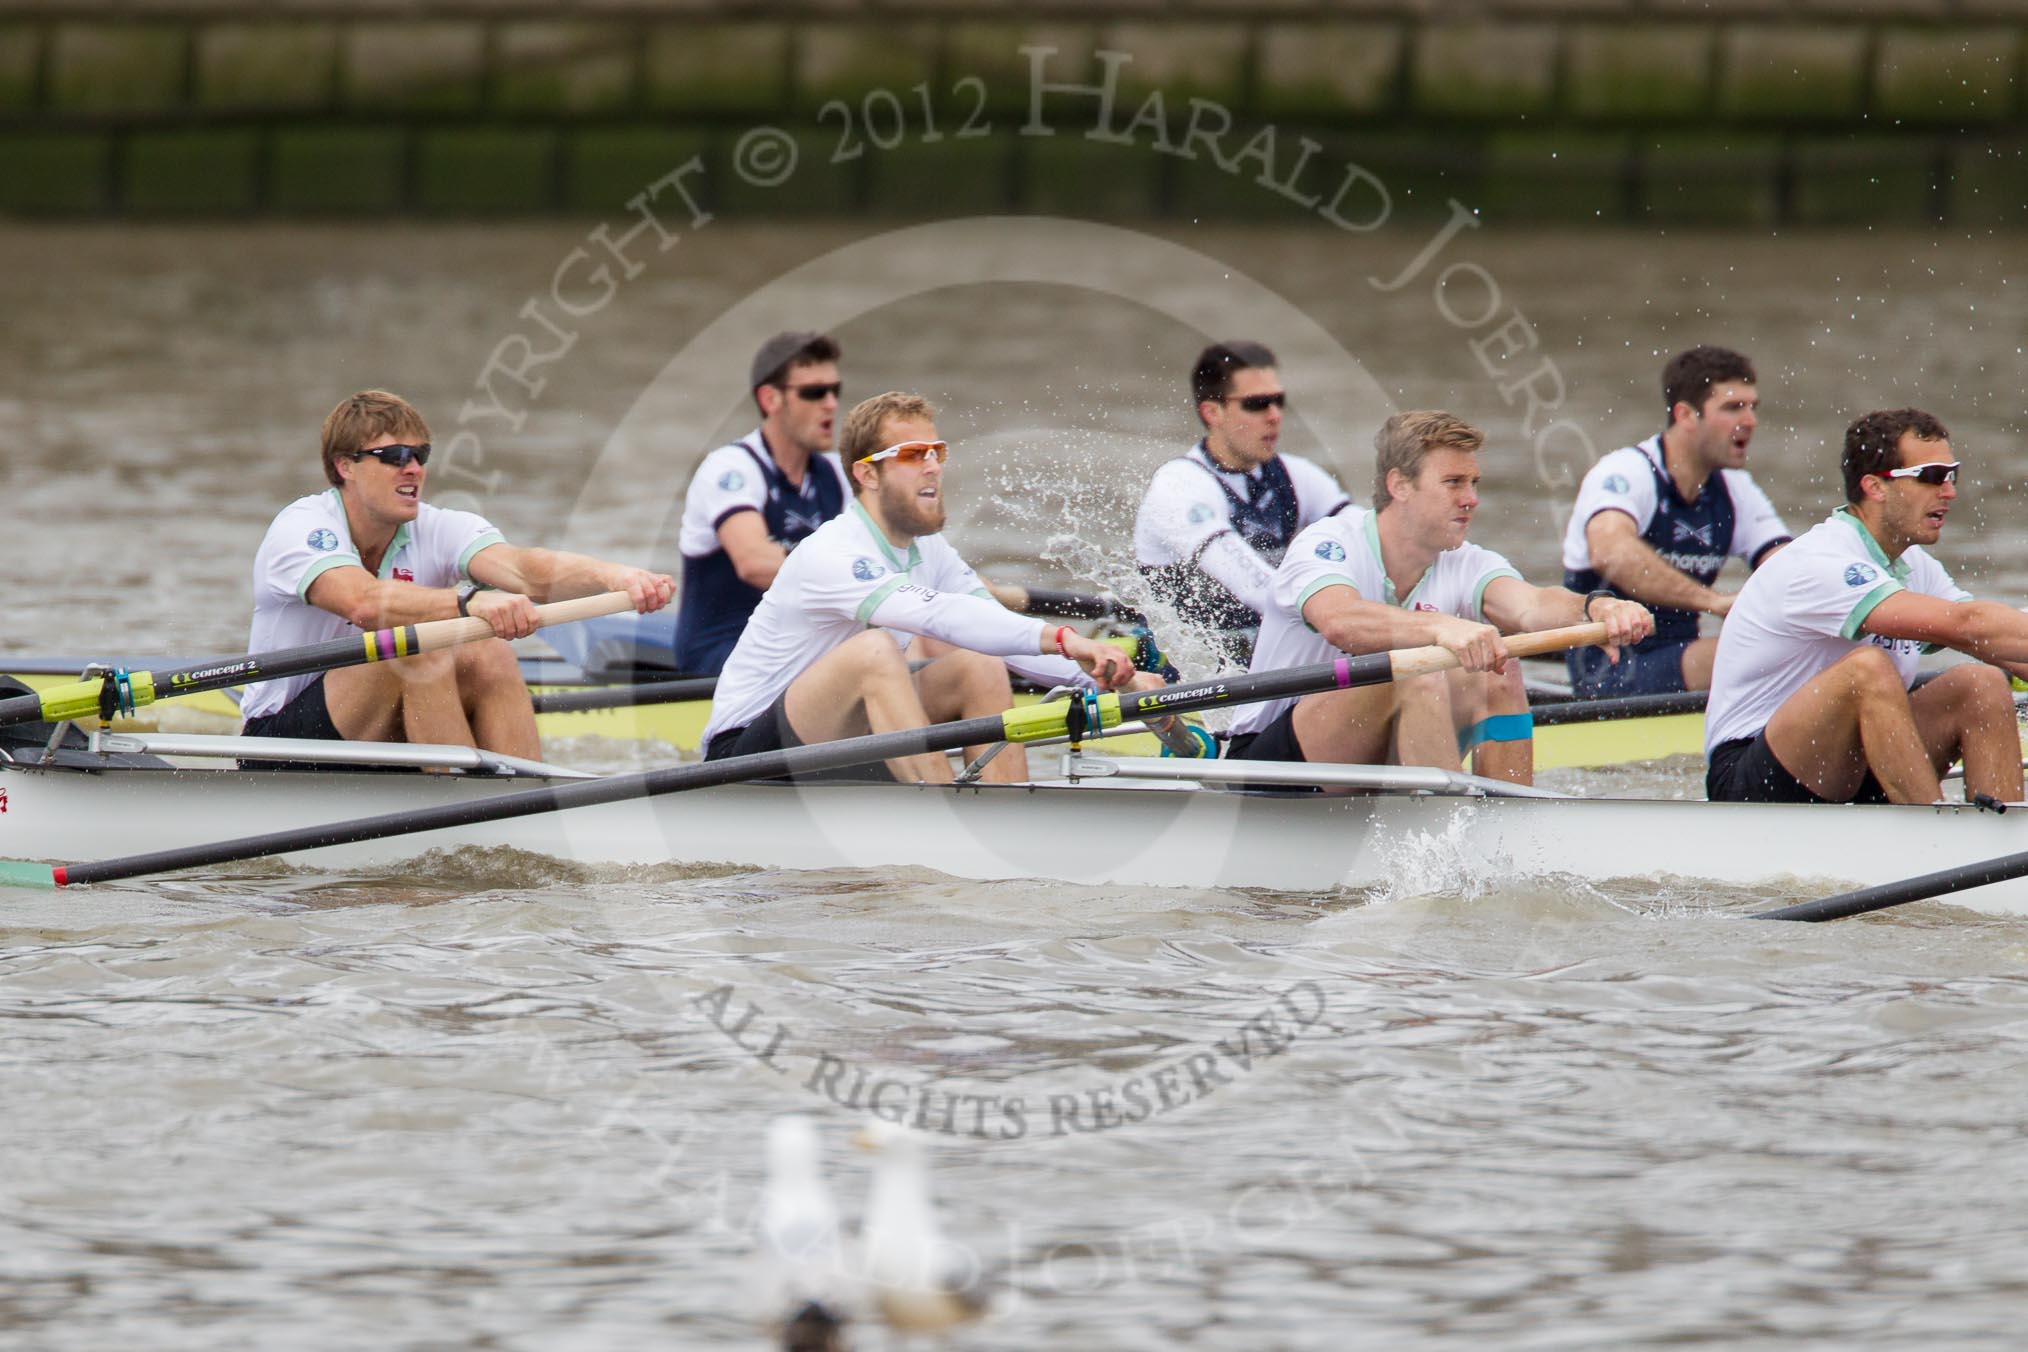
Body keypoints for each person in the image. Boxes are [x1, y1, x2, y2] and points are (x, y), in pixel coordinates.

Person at [701, 391, 1142, 784]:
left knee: (979, 664)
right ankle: (943, 819)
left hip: (837, 739)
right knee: (874, 652)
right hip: (746, 756)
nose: (932, 465)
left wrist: (1116, 678)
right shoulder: (833, 553)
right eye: (913, 454)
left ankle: (1006, 819)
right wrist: (1064, 638)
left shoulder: (929, 550)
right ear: (868, 474)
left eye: (937, 451)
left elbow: (994, 629)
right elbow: (940, 617)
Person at [239, 390, 674, 765]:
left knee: (488, 650)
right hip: (283, 740)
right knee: (419, 643)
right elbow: (364, 603)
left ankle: (525, 803)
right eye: (392, 456)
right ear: (344, 467)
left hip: (381, 731)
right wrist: (468, 604)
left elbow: (522, 569)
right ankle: (470, 806)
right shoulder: (303, 528)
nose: (413, 469)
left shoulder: (437, 527)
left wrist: (617, 576)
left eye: (420, 455)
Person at [1226, 411, 1652, 786]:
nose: (1471, 499)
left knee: (1499, 667)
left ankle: (1511, 829)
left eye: (1473, 483)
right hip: (1269, 764)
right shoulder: (1329, 542)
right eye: (1453, 483)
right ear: (1400, 485)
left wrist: (1596, 607)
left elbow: (1533, 605)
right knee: (1417, 667)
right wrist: (1441, 627)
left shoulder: (1465, 562)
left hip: (1363, 760)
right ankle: (1448, 849)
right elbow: (1341, 621)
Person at [1704, 408, 2027, 805]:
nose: (1949, 491)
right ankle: (1936, 839)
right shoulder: (1821, 561)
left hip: (1851, 765)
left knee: (1981, 685)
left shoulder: (1915, 566)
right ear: (1875, 486)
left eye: (1950, 475)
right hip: (1754, 779)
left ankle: (2007, 847)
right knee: (1867, 669)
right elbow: (1969, 625)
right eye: (1930, 477)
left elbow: (2002, 643)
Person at [1560, 345, 1790, 696]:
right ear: (1685, 415)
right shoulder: (1626, 472)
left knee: (1795, 645)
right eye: (1732, 407)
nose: (1750, 421)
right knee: (1763, 652)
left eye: (1752, 407)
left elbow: (1786, 564)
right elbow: (1611, 553)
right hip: (1609, 667)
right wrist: (1712, 602)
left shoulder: (1734, 488)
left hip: (1678, 658)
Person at [1133, 341, 1352, 666]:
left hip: (1263, 662)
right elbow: (1253, 587)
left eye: (1279, 401)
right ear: (1213, 412)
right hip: (1186, 675)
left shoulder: (1297, 475)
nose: (1275, 416)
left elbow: (1373, 541)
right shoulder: (1179, 486)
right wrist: (1347, 619)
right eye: (1258, 404)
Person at [672, 331, 851, 675]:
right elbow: (753, 563)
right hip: (723, 658)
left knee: (924, 639)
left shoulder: (836, 474)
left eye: (835, 390)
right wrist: (863, 578)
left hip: (799, 651)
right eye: (814, 392)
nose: (830, 403)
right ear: (771, 399)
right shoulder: (731, 469)